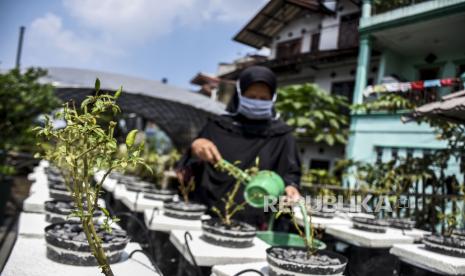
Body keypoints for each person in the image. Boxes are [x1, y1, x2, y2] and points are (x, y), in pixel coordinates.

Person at [177, 66, 301, 229]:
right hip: (208, 214)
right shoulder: (217, 126)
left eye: (264, 98)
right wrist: (196, 146)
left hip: (256, 223)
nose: (257, 102)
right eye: (251, 96)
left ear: (273, 99)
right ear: (239, 95)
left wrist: (291, 188)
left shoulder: (282, 135)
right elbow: (188, 167)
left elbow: (291, 174)